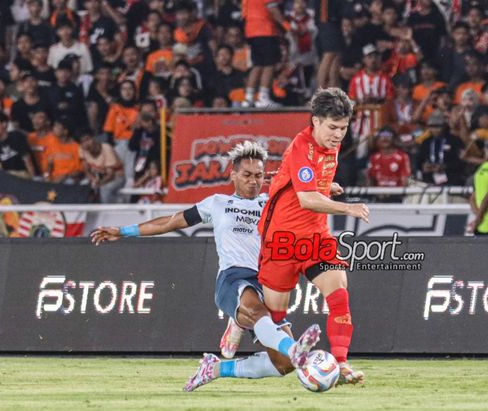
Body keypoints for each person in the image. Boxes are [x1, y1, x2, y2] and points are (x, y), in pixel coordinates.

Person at [90, 141, 322, 391]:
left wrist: (324, 188)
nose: (253, 181)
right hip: (233, 277)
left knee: (284, 365)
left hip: (267, 281)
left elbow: (307, 194)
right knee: (260, 314)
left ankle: (215, 368)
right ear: (233, 175)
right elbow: (170, 222)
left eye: (258, 176)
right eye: (246, 175)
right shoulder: (217, 203)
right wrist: (123, 231)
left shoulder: (271, 203)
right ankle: (293, 348)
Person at [257, 88, 369, 385]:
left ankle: (342, 365)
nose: (338, 135)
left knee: (339, 295)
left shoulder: (330, 147)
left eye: (343, 128)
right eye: (332, 127)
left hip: (316, 236)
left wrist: (327, 186)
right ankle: (240, 320)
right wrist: (348, 208)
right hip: (282, 239)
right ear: (315, 121)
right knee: (275, 317)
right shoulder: (301, 146)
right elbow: (306, 198)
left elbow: (306, 183)